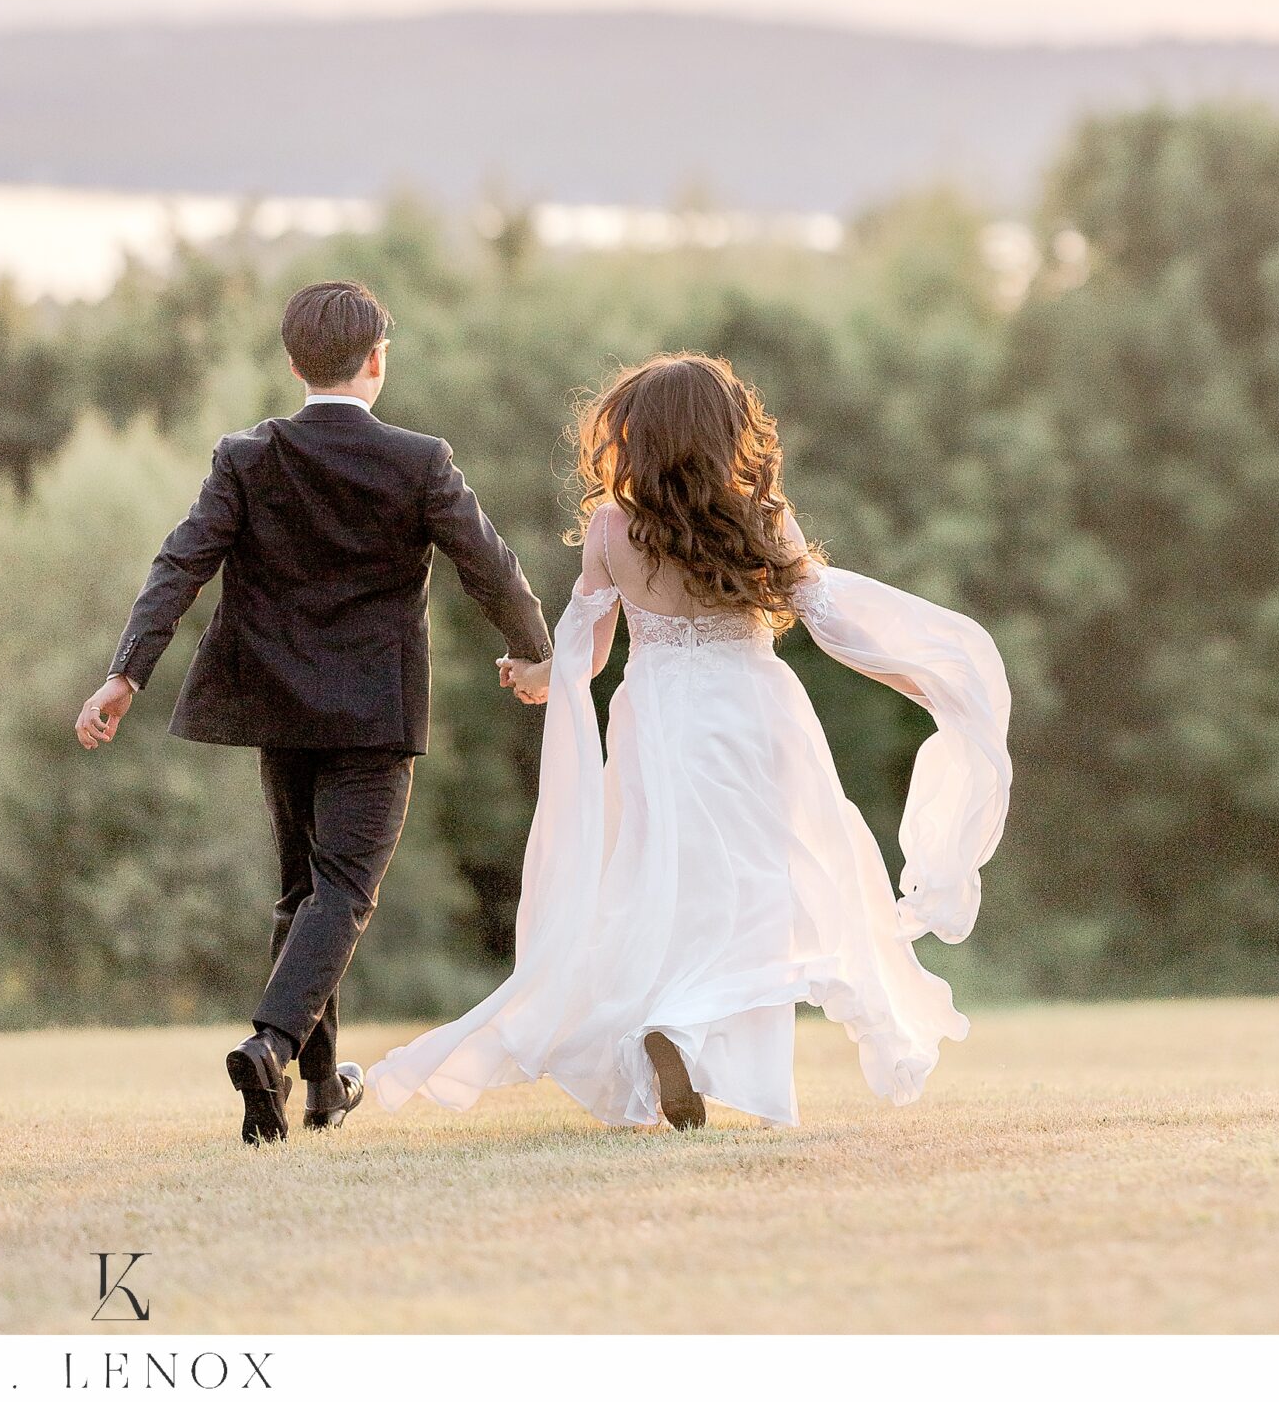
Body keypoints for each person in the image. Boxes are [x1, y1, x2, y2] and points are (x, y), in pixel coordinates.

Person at [367, 350, 1011, 1132]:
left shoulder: (611, 530)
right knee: (767, 881)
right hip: (754, 713)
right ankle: (683, 1020)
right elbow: (832, 621)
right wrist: (927, 681)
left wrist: (540, 675)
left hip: (659, 720)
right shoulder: (763, 520)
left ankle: (671, 1020)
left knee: (659, 882)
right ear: (725, 433)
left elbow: (587, 654)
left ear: (636, 438)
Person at [73, 279, 552, 1144]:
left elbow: (178, 564)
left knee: (304, 895)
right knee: (342, 892)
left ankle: (323, 1086)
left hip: (279, 708)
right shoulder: (420, 461)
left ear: (294, 364)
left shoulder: (247, 457)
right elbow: (491, 565)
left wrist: (125, 674)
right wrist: (535, 654)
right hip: (375, 712)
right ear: (376, 362)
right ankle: (273, 1046)